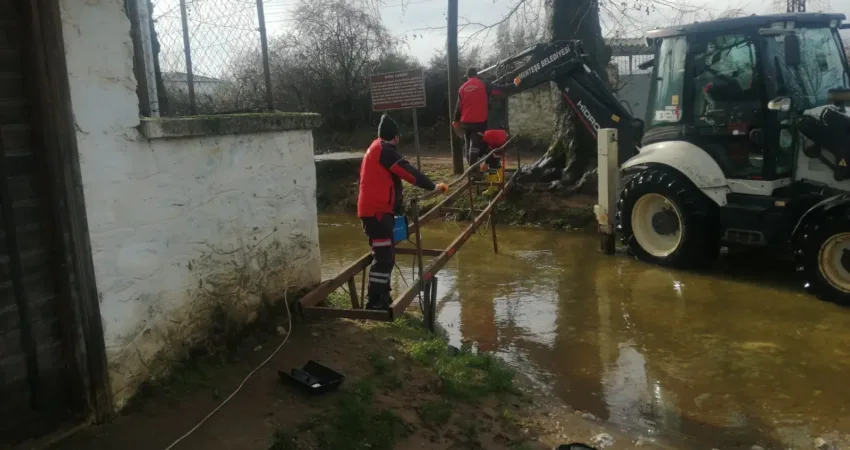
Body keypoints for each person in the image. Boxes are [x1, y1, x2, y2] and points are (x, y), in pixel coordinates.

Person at [358, 114, 449, 310]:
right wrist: (433, 186)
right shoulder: (385, 150)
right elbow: (408, 173)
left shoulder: (376, 147)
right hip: (377, 212)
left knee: (385, 254)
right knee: (384, 257)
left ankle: (382, 296)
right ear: (396, 137)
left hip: (376, 211)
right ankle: (375, 302)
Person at [452, 67, 502, 176]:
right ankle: (474, 170)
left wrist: (456, 120)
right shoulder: (483, 84)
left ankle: (473, 170)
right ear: (476, 74)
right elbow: (498, 91)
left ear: (467, 76)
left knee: (468, 143)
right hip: (479, 121)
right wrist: (515, 85)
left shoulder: (462, 88)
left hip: (465, 122)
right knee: (475, 143)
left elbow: (459, 107)